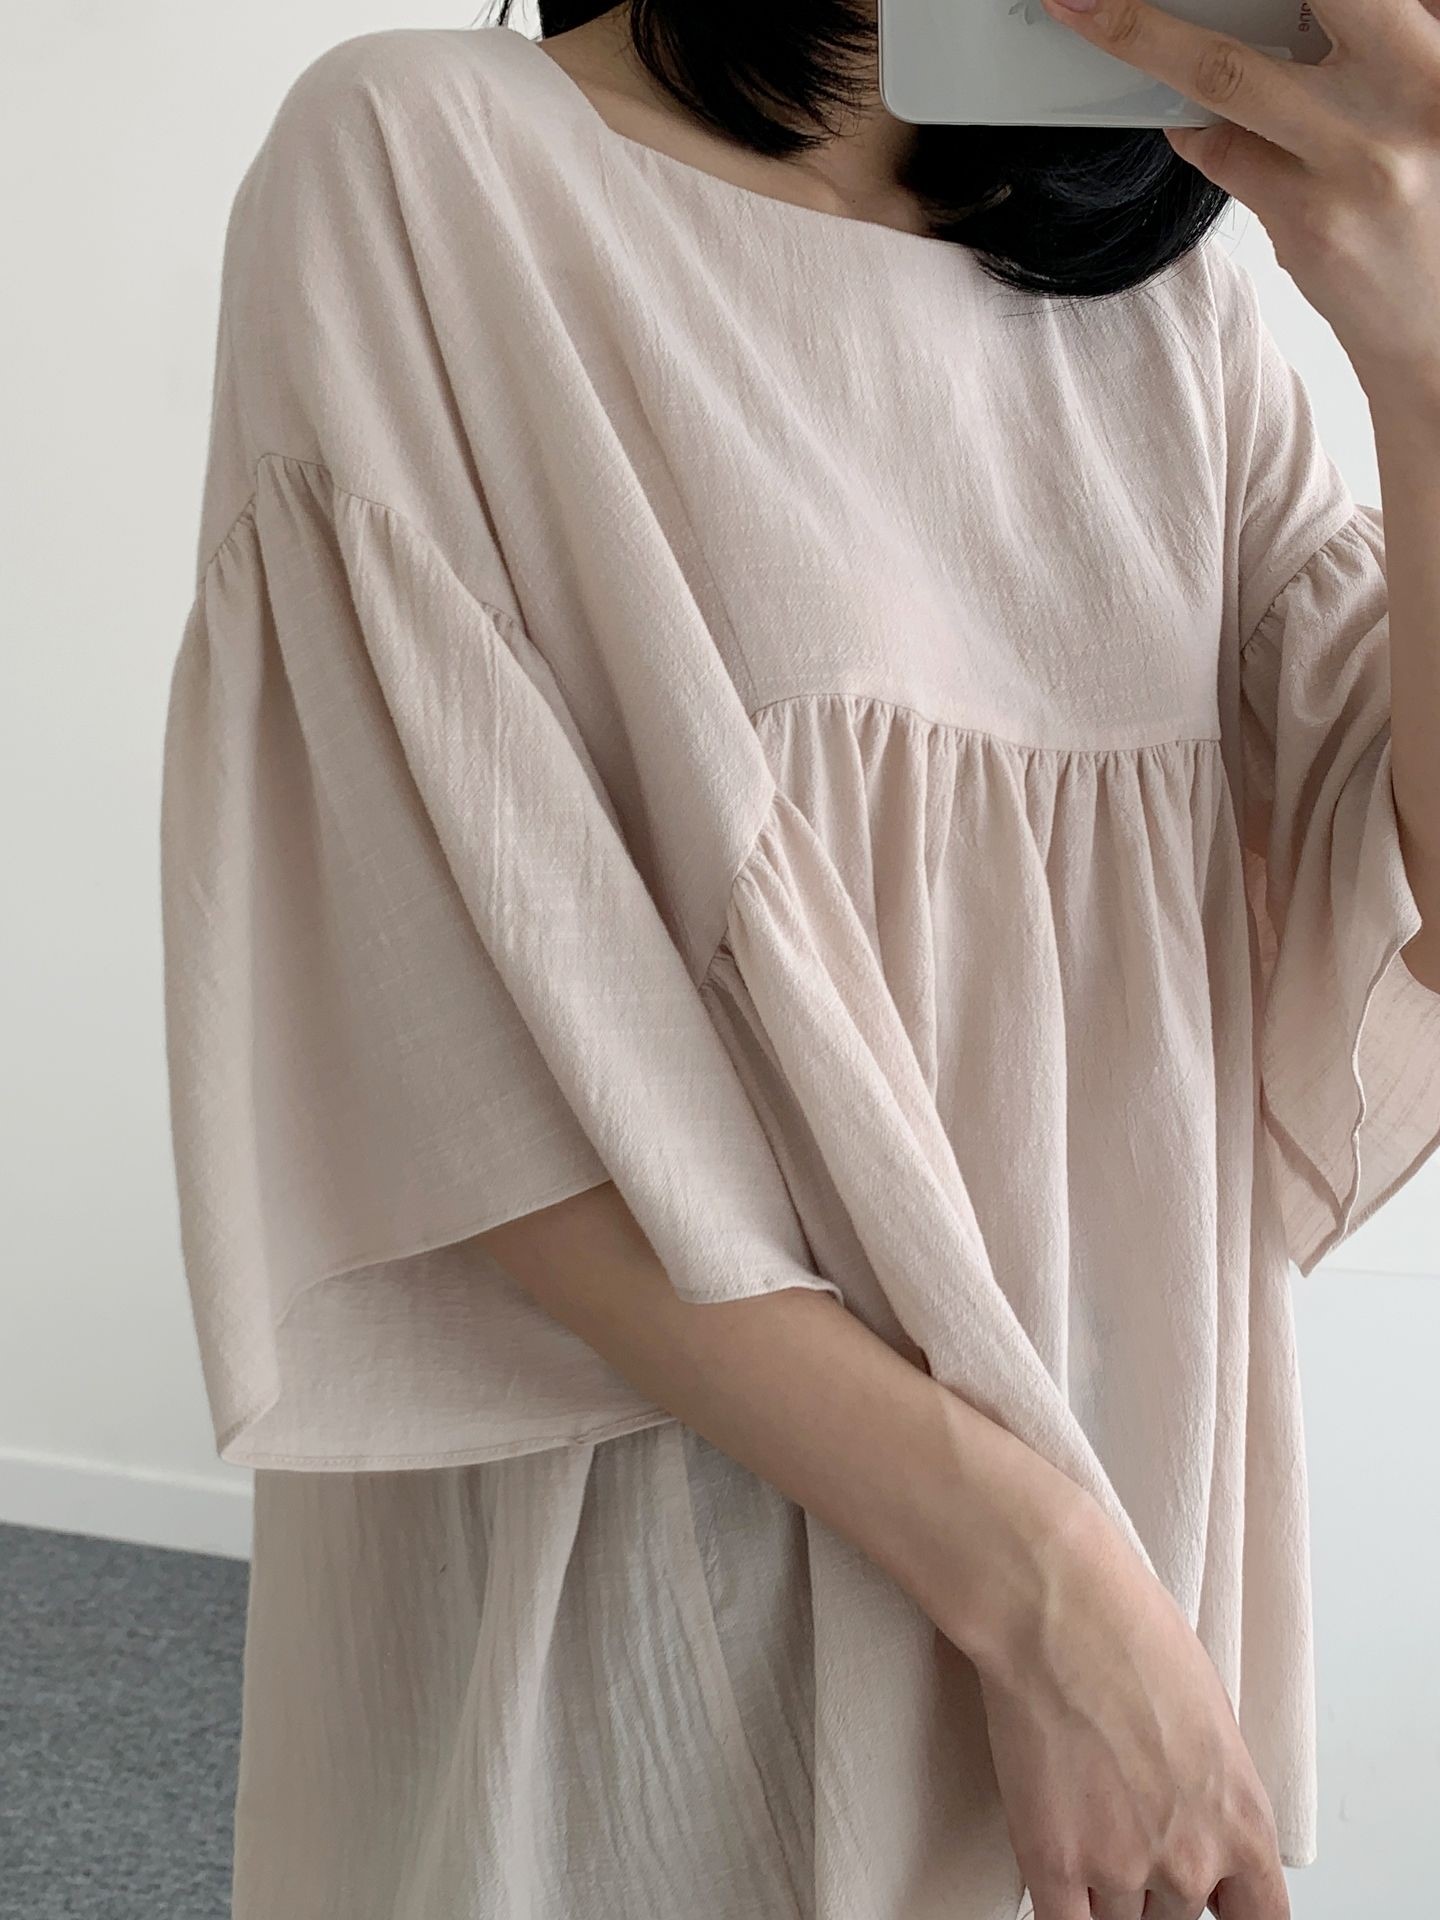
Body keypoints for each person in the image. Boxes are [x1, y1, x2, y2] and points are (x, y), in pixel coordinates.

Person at [157, 4, 1440, 1917]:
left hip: (1116, 1637)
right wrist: (1049, 1592)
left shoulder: (1189, 318)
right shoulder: (428, 163)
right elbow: (438, 1036)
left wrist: (1423, 360)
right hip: (675, 1612)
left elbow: (1404, 912)